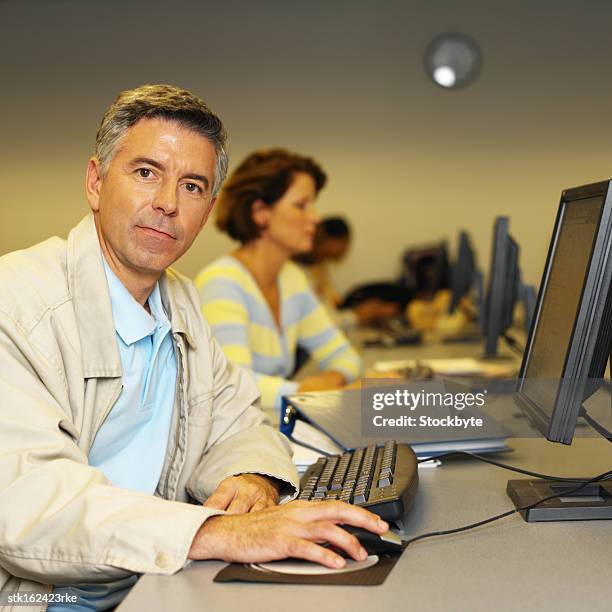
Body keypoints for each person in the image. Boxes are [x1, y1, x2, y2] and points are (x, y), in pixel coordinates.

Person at [0, 86, 388, 611]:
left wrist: (252, 478)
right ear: (95, 182)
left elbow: (239, 421)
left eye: (191, 185)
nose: (166, 202)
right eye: (145, 173)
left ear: (206, 209)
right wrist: (214, 533)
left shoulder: (180, 301)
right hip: (48, 597)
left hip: (155, 578)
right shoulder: (16, 305)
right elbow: (28, 507)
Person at [195, 149, 363, 410]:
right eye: (301, 205)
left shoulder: (292, 279)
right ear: (261, 212)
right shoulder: (221, 284)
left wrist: (331, 380)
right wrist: (310, 393)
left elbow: (346, 357)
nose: (315, 218)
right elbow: (233, 385)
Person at [296, 216, 400, 329]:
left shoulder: (314, 267)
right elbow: (318, 325)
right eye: (327, 255)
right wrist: (358, 316)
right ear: (321, 237)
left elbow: (329, 310)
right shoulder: (293, 273)